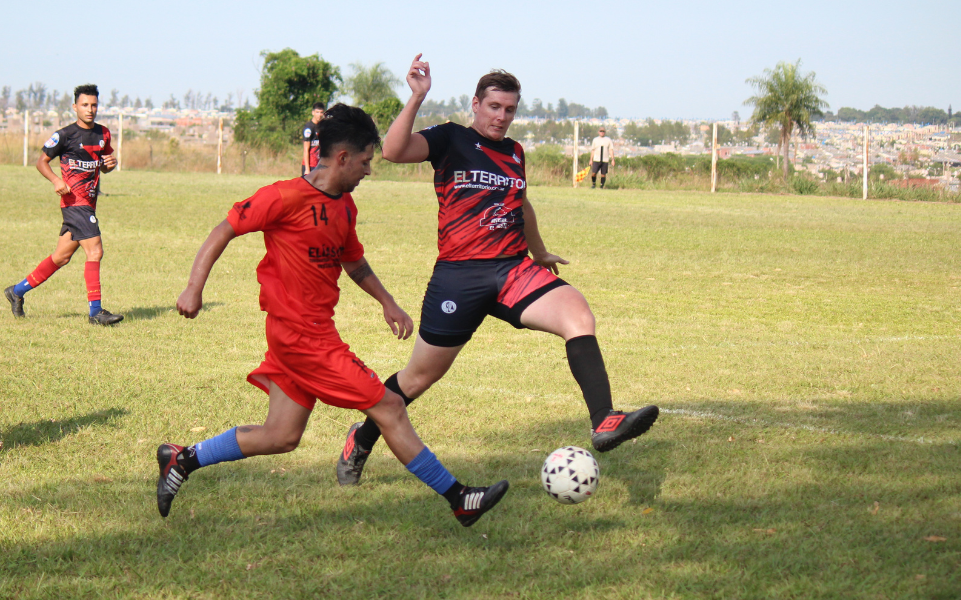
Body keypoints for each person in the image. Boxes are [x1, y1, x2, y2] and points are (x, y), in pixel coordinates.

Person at [158, 103, 507, 527]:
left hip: (303, 335)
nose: (369, 171)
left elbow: (352, 261)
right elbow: (224, 229)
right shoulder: (283, 196)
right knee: (390, 407)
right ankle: (459, 498)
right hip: (303, 339)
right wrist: (194, 287)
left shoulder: (345, 206)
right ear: (342, 157)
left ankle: (182, 458)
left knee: (281, 436)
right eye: (365, 161)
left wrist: (387, 301)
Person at [335, 54, 658, 486]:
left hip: (512, 271)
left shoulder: (515, 153)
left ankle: (604, 420)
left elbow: (521, 205)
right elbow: (393, 151)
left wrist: (539, 253)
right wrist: (417, 97)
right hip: (459, 277)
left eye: (509, 109)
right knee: (419, 377)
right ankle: (360, 439)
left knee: (578, 315)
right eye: (493, 107)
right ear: (476, 104)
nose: (501, 116)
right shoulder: (450, 139)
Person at [4, 84, 122, 325]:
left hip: (89, 203)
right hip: (74, 203)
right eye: (85, 105)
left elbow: (104, 166)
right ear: (75, 107)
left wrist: (110, 164)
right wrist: (56, 180)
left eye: (94, 105)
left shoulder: (103, 134)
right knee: (95, 251)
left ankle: (16, 291)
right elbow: (41, 162)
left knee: (61, 257)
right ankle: (95, 313)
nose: (90, 109)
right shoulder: (65, 135)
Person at [301, 102, 325, 176]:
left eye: (321, 112)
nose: (319, 115)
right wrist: (307, 169)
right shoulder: (309, 128)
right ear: (313, 113)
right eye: (317, 112)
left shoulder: (322, 127)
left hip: (319, 165)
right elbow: (306, 149)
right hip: (310, 165)